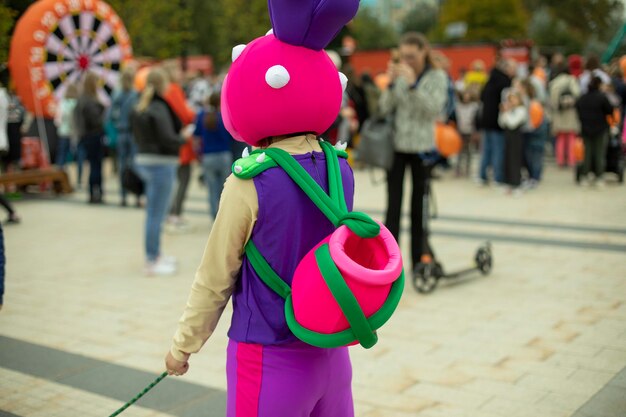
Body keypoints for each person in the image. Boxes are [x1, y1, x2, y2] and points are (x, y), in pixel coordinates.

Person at [164, 1, 367, 415]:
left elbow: (216, 276)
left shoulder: (250, 181)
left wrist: (183, 346)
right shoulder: (340, 167)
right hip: (331, 351)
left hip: (269, 357)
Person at [379, 32, 448, 268]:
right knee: (393, 206)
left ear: (423, 52)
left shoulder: (436, 76)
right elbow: (383, 109)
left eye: (411, 56)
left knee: (419, 205)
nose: (407, 61)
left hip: (422, 149)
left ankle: (419, 258)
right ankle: (389, 260)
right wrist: (390, 83)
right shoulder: (399, 75)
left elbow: (433, 109)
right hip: (397, 147)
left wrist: (413, 85)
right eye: (403, 56)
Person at [131, 68, 185, 276]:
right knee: (156, 214)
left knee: (154, 212)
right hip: (161, 162)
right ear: (164, 84)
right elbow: (167, 137)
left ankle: (155, 254)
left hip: (145, 160)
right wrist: (183, 138)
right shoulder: (159, 107)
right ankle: (152, 259)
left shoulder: (141, 105)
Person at [163, 61, 197, 231]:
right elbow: (184, 113)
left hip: (170, 141)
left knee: (174, 179)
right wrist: (193, 113)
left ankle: (172, 212)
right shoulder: (173, 89)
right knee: (183, 179)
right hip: (181, 141)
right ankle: (174, 213)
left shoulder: (165, 90)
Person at [478, 58, 517, 185]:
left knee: (486, 150)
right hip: (497, 121)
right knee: (498, 150)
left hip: (486, 120)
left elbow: (482, 97)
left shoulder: (490, 80)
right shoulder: (505, 82)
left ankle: (482, 175)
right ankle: (497, 176)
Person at [194, 92, 233, 220]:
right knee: (225, 188)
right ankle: (224, 214)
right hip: (224, 154)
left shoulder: (201, 116)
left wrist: (198, 154)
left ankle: (213, 215)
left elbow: (196, 137)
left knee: (211, 188)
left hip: (208, 155)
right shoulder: (224, 117)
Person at [107, 68, 139, 207]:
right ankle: (137, 196)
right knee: (134, 164)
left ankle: (123, 196)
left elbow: (111, 116)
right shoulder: (135, 95)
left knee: (121, 165)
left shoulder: (116, 95)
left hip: (121, 132)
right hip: (133, 133)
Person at [576, 76, 614, 187]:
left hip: (586, 128)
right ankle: (599, 176)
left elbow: (578, 109)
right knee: (599, 153)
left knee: (587, 153)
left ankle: (585, 175)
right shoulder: (602, 98)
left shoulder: (583, 97)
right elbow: (610, 110)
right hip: (600, 128)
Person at [74, 72, 105, 204]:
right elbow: (95, 120)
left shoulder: (81, 99)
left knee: (92, 165)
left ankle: (93, 192)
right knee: (96, 165)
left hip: (85, 136)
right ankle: (96, 192)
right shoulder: (90, 100)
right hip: (94, 135)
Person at [549, 66, 581, 167]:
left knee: (560, 138)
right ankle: (571, 160)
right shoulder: (572, 80)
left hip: (559, 114)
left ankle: (560, 160)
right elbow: (577, 94)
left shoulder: (554, 83)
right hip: (570, 113)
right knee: (571, 138)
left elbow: (552, 101)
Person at [499, 90, 528, 195]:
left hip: (517, 138)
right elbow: (502, 123)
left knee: (515, 161)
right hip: (508, 138)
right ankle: (508, 183)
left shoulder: (521, 110)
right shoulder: (510, 110)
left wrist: (506, 112)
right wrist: (504, 112)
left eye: (514, 99)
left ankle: (517, 184)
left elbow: (512, 123)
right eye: (510, 100)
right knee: (507, 160)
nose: (511, 102)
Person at [455, 89, 480, 177]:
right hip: (460, 131)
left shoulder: (474, 107)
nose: (466, 97)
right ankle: (458, 170)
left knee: (469, 151)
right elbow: (455, 119)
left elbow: (476, 120)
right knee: (460, 151)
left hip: (470, 131)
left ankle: (467, 169)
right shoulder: (458, 106)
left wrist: (476, 132)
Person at [54, 84, 79, 168]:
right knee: (75, 155)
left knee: (62, 154)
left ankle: (59, 175)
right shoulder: (77, 103)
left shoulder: (62, 103)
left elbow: (57, 120)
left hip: (63, 132)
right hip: (75, 133)